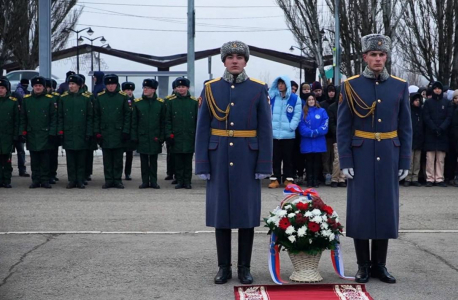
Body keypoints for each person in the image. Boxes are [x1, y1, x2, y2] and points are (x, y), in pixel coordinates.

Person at [195, 41, 272, 285]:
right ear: (224, 61)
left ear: (246, 61)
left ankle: (244, 267)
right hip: (218, 158)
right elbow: (202, 129)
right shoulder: (210, 89)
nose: (235, 60)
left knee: (247, 215)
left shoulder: (258, 89)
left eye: (240, 56)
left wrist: (263, 165)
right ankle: (223, 267)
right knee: (221, 215)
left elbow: (265, 130)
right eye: (230, 57)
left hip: (248, 159)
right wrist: (202, 164)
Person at [337, 34, 412, 284]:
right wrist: (345, 160)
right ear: (365, 57)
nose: (378, 59)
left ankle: (380, 265)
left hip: (389, 153)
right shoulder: (351, 85)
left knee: (385, 210)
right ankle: (362, 266)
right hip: (361, 153)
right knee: (361, 210)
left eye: (382, 55)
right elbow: (343, 127)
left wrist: (404, 161)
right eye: (373, 55)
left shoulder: (399, 86)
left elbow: (406, 127)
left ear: (386, 57)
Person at [20, 76, 57, 189]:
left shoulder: (50, 99)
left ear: (44, 87)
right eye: (36, 86)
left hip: (45, 134)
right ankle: (35, 180)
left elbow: (53, 118)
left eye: (40, 86)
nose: (38, 87)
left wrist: (52, 132)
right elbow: (23, 118)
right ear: (33, 87)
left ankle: (45, 180)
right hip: (32, 134)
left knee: (45, 159)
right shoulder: (26, 100)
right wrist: (23, 132)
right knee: (34, 159)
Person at [94, 74, 131, 189]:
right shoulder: (100, 97)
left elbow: (127, 115)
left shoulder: (123, 97)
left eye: (113, 84)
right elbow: (96, 116)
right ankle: (109, 180)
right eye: (108, 84)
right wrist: (97, 132)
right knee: (107, 159)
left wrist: (125, 131)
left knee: (118, 159)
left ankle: (118, 179)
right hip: (105, 132)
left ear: (116, 84)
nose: (110, 86)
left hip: (118, 132)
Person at [57, 75, 93, 189]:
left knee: (81, 159)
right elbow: (60, 116)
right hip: (68, 132)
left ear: (79, 86)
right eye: (70, 84)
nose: (71, 86)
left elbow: (89, 117)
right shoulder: (63, 98)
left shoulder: (86, 98)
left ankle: (80, 180)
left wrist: (88, 132)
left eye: (73, 84)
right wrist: (61, 131)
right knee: (71, 159)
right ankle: (72, 180)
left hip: (81, 133)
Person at [268, 75, 302, 188]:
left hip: (288, 134)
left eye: (283, 83)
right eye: (279, 83)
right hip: (274, 134)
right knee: (275, 158)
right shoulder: (272, 97)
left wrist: (291, 127)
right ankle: (275, 179)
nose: (280, 85)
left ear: (287, 85)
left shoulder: (294, 98)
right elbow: (267, 113)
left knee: (288, 158)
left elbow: (297, 114)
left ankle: (288, 179)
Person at [131, 79, 165, 189]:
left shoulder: (160, 103)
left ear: (154, 90)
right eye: (144, 88)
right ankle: (145, 181)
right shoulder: (138, 103)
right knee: (144, 160)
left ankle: (154, 181)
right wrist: (134, 136)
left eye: (148, 88)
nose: (145, 90)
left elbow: (163, 121)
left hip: (155, 136)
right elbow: (134, 121)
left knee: (154, 160)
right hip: (142, 136)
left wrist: (161, 136)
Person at [165, 77, 198, 189]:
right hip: (176, 136)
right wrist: (169, 134)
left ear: (187, 88)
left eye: (183, 87)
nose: (181, 89)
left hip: (189, 136)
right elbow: (167, 120)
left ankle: (187, 181)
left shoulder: (194, 102)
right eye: (179, 87)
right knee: (178, 160)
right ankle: (179, 180)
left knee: (188, 161)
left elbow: (197, 121)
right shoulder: (171, 102)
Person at [422, 81, 453, 187]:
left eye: (439, 88)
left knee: (440, 158)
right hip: (430, 133)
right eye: (435, 88)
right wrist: (434, 128)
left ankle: (439, 178)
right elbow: (426, 117)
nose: (437, 90)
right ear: (433, 90)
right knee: (430, 158)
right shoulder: (428, 102)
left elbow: (449, 117)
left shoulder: (447, 102)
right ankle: (430, 178)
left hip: (442, 134)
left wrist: (441, 128)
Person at [299, 93, 328, 188]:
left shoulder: (322, 111)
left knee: (317, 161)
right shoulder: (303, 112)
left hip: (318, 141)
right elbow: (301, 126)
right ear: (307, 101)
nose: (311, 101)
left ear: (315, 101)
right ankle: (309, 180)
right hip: (307, 141)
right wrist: (310, 133)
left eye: (312, 99)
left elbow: (325, 124)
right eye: (309, 99)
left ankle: (315, 180)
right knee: (309, 161)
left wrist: (317, 131)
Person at [0, 78, 19, 188]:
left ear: (7, 90)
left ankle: (6, 179)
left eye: (2, 88)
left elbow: (16, 120)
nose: (0, 90)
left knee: (6, 159)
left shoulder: (12, 102)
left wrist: (16, 135)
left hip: (7, 136)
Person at [404, 93, 424, 187]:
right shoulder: (408, 111)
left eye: (419, 100)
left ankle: (415, 177)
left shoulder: (421, 111)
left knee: (417, 160)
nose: (418, 102)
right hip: (410, 138)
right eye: (416, 100)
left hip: (419, 138)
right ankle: (408, 177)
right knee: (410, 159)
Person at [320, 84, 337, 185]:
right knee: (326, 156)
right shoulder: (322, 104)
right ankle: (327, 174)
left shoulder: (338, 104)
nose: (331, 93)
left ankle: (335, 174)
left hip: (335, 134)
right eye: (329, 91)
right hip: (326, 134)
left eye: (333, 91)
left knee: (335, 157)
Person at [327, 96, 346, 187]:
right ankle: (334, 178)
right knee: (337, 159)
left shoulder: (347, 105)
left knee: (345, 157)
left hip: (347, 135)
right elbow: (331, 123)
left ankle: (342, 178)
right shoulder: (332, 107)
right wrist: (338, 132)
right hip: (337, 136)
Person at [45, 78, 61, 184]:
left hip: (53, 131)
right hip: (42, 130)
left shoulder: (56, 98)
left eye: (47, 87)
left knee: (53, 155)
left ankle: (52, 173)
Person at [121, 81, 137, 181]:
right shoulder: (121, 101)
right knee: (119, 154)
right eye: (127, 90)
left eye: (131, 90)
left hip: (131, 131)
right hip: (121, 131)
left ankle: (127, 173)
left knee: (129, 154)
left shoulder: (135, 101)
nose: (129, 92)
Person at [164, 79, 178, 183]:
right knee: (170, 154)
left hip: (180, 132)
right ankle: (170, 172)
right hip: (171, 132)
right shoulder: (168, 100)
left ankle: (177, 175)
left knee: (177, 155)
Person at [444, 90, 458, 186]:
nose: (457, 100)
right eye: (455, 98)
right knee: (451, 159)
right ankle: (450, 177)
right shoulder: (450, 108)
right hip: (451, 137)